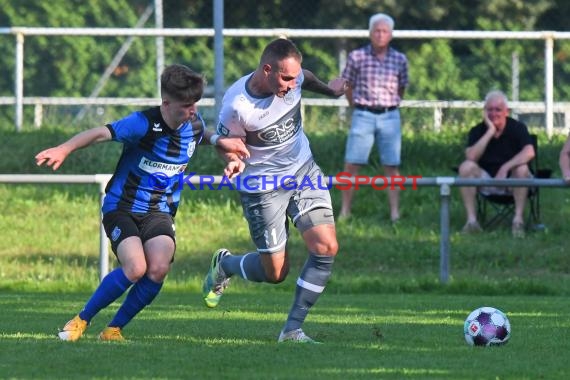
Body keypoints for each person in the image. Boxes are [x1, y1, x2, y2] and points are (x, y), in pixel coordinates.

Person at [35, 64, 248, 341]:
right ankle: (80, 320)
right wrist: (65, 148)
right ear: (166, 103)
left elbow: (203, 137)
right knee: (136, 268)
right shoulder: (143, 124)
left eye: (195, 104)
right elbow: (101, 133)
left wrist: (229, 154)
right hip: (121, 207)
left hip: (159, 211)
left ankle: (113, 330)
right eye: (185, 106)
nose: (192, 111)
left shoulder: (194, 124)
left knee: (158, 268)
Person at [201, 38, 347, 343]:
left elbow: (306, 76)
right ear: (267, 69)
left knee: (325, 247)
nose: (293, 84)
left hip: (303, 171)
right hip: (261, 187)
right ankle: (225, 264)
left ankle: (292, 330)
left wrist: (331, 90)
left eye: (295, 77)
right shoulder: (237, 106)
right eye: (286, 78)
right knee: (276, 273)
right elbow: (228, 147)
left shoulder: (294, 78)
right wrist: (233, 161)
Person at [339, 13, 408, 222]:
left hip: (390, 115)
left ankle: (395, 213)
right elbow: (346, 83)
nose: (380, 35)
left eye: (384, 31)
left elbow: (402, 86)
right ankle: (345, 212)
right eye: (377, 31)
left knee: (392, 165)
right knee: (352, 163)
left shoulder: (400, 59)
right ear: (370, 33)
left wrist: (393, 103)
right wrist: (354, 106)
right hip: (363, 114)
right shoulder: (357, 57)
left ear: (391, 34)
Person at [458, 90, 535, 238]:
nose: (494, 113)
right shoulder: (477, 130)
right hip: (487, 180)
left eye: (498, 110)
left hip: (513, 182)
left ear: (507, 111)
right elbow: (471, 157)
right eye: (490, 110)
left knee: (522, 168)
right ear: (484, 112)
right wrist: (490, 131)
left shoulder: (517, 128)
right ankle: (472, 222)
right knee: (465, 167)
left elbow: (529, 152)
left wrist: (505, 167)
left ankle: (518, 221)